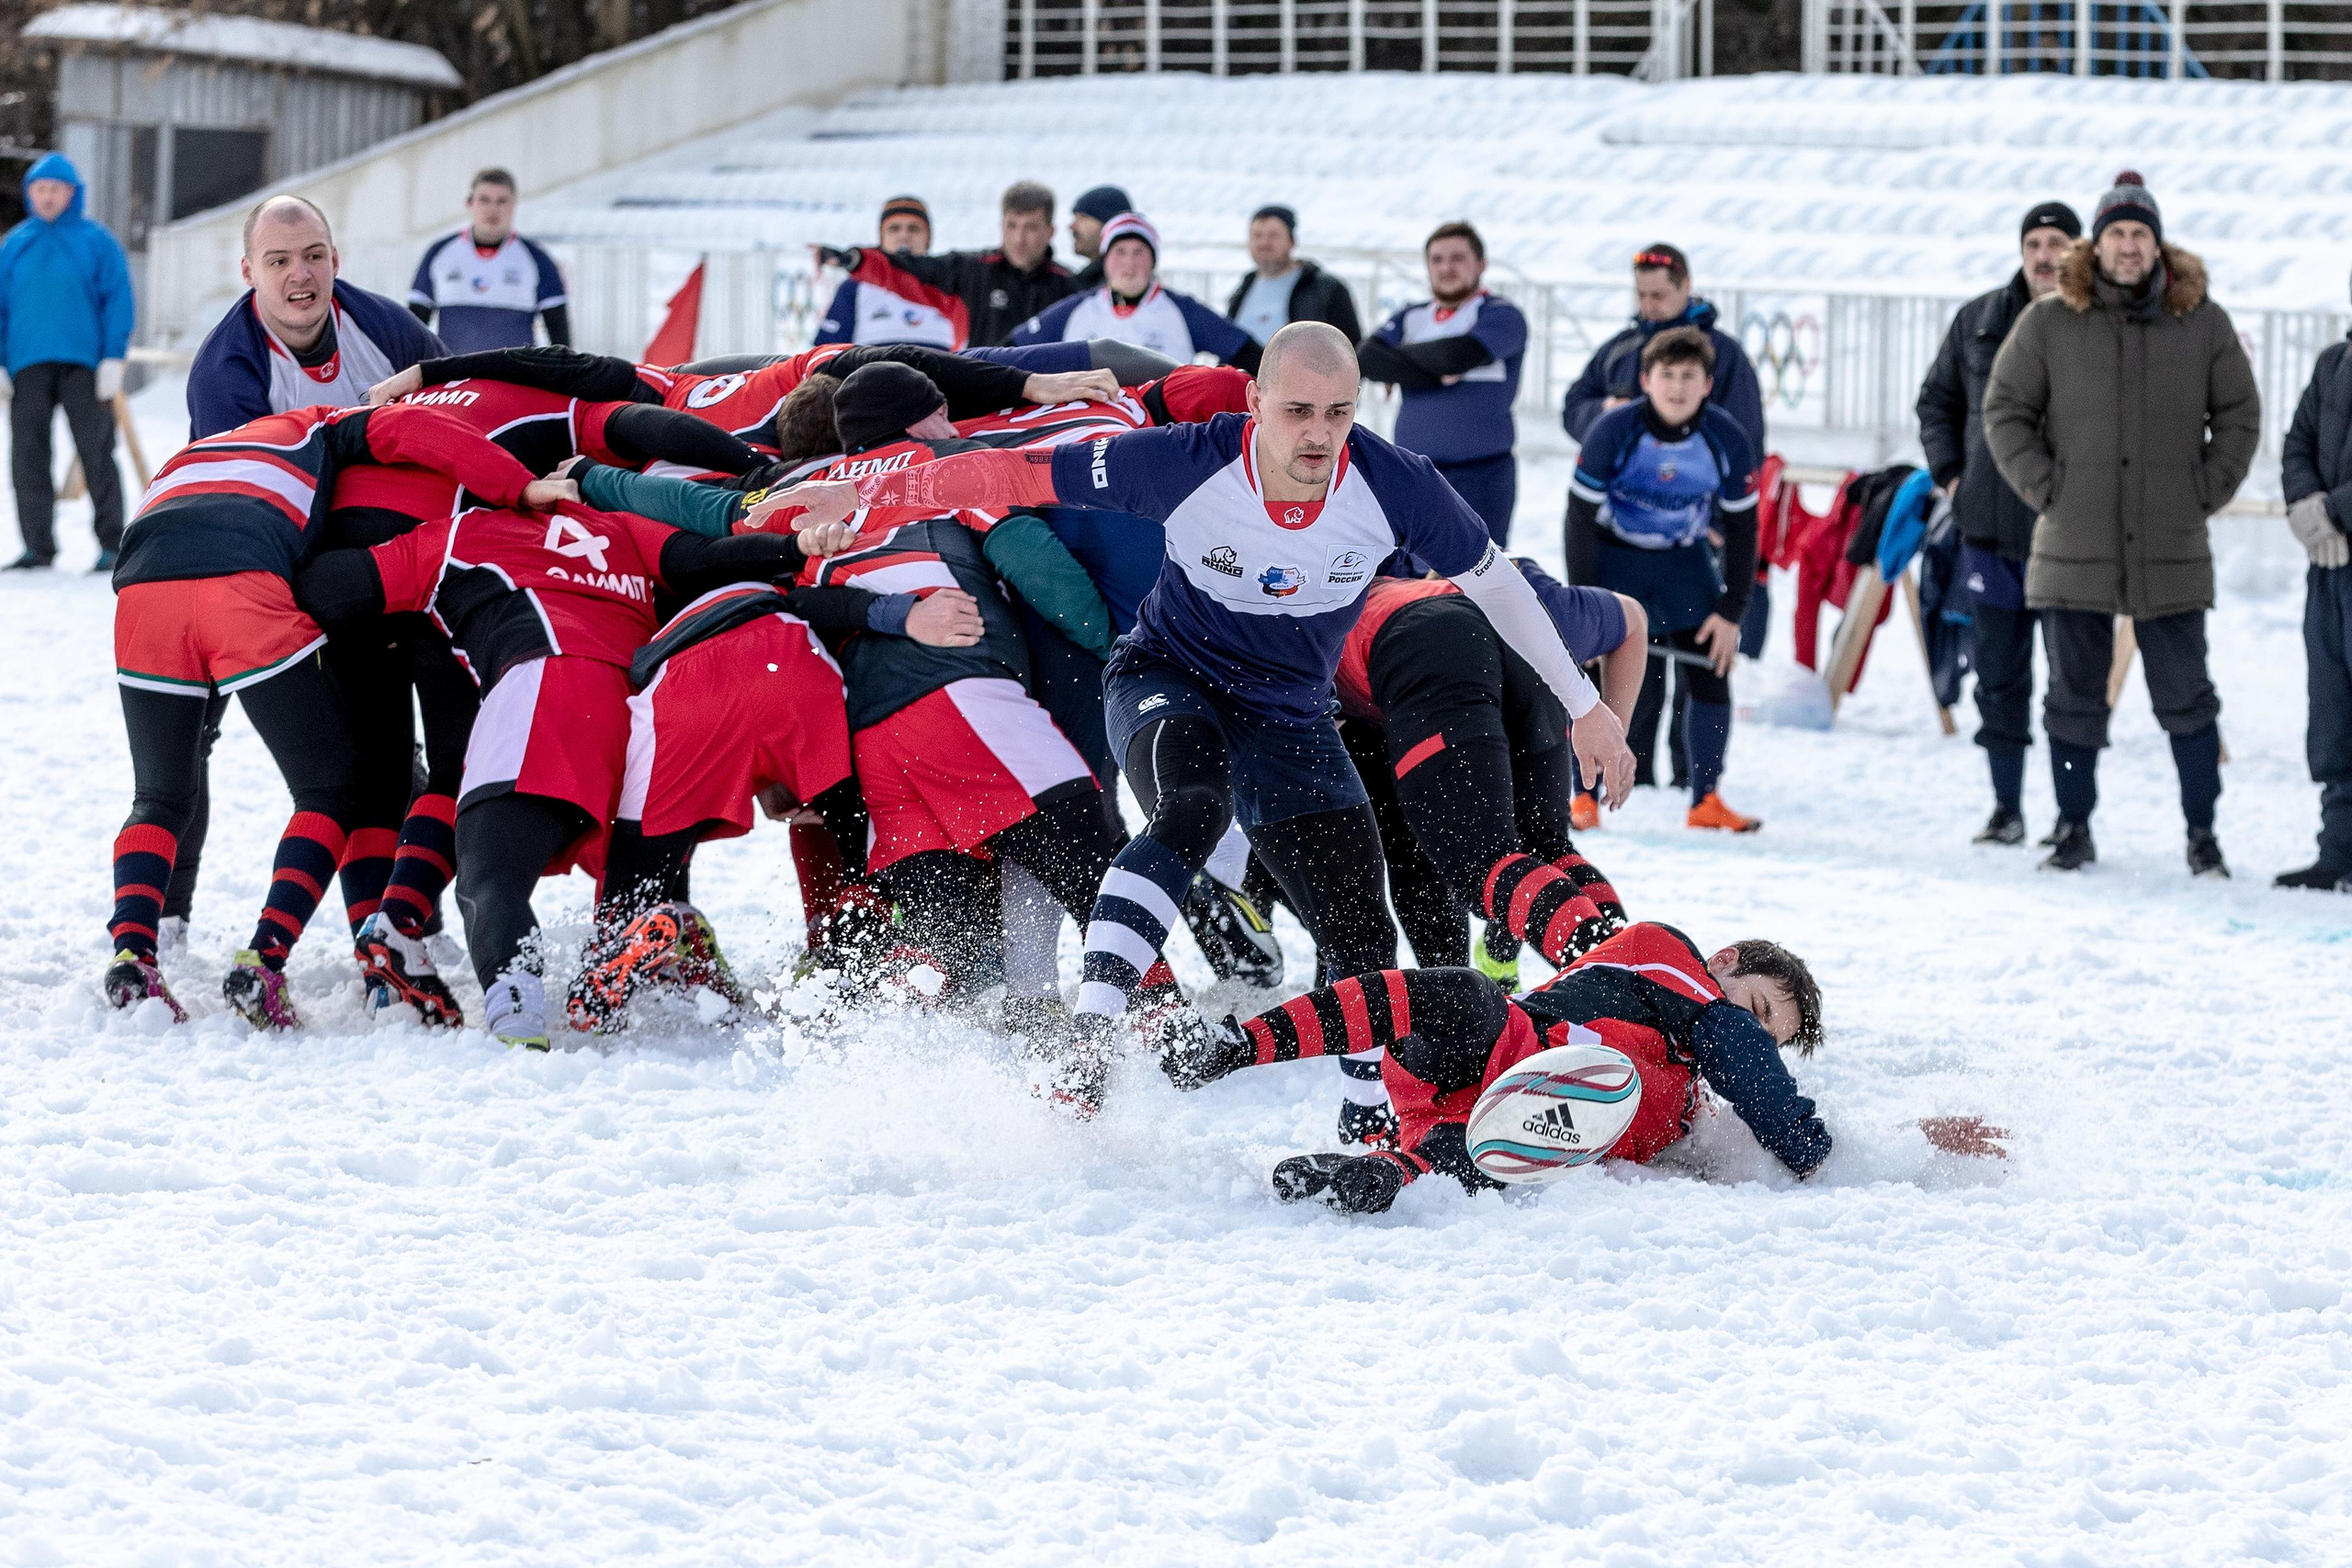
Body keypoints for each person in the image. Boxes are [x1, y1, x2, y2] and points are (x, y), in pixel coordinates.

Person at [775, 321, 1637, 1126]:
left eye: (1337, 413)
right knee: (1193, 806)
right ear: (1253, 401)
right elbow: (1007, 471)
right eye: (1296, 411)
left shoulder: (1395, 482)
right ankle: (1091, 1041)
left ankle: (1371, 1119)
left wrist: (1586, 706)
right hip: (1168, 676)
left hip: (1289, 713)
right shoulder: (1184, 461)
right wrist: (866, 490)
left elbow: (1497, 584)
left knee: (1362, 928)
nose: (1318, 435)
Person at [293, 490, 823, 1048]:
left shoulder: (462, 531)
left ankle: (518, 1017)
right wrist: (797, 546)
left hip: (546, 689)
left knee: (489, 876)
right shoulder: (620, 526)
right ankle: (644, 948)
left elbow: (328, 588)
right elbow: (700, 557)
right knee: (630, 876)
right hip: (648, 711)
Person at [102, 403, 538, 1029]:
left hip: (143, 592)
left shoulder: (194, 451)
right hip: (241, 581)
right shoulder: (322, 421)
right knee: (330, 790)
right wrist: (519, 485)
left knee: (159, 795)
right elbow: (416, 429)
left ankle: (132, 955)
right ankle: (265, 958)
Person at [1158, 920, 1832, 1212]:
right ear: (1724, 961)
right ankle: (1237, 1046)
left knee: (1492, 1157)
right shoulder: (1670, 961)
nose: (1754, 1034)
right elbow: (1738, 1051)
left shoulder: (1688, 1093)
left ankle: (1382, 1174)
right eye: (1756, 1009)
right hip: (1492, 1044)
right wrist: (1815, 1154)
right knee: (1459, 993)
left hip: (1495, 1129)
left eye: (1769, 1036)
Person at [1983, 171, 2261, 876]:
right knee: (2072, 700)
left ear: (2156, 244)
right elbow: (2005, 408)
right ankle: (2073, 826)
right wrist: (2048, 487)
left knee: (2188, 699)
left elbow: (2239, 414)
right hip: (2073, 543)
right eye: (2117, 234)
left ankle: (2203, 833)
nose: (2129, 246)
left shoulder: (2201, 321)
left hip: (2170, 544)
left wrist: (2202, 490)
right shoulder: (2050, 321)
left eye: (2140, 233)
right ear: (2097, 243)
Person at [1337, 561, 1645, 983]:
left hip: (1423, 646)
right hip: (1526, 637)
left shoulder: (1318, 608)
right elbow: (1633, 619)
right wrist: (1612, 731)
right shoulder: (1526, 588)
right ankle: (1637, 971)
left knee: (1480, 864)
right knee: (1545, 849)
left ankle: (1619, 986)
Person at [1560, 243, 1766, 787]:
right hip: (1618, 556)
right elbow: (1578, 517)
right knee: (1610, 669)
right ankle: (1591, 788)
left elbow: (1746, 514)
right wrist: (1584, 601)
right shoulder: (1616, 409)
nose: (1677, 387)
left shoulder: (1724, 404)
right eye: (1641, 295)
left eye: (1688, 378)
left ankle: (1702, 790)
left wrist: (1733, 609)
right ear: (1646, 380)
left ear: (1706, 384)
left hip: (1685, 554)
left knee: (1708, 661)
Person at [1917, 199, 2082, 848]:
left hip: (2071, 536)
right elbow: (1936, 401)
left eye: (2057, 243)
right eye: (2034, 244)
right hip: (1989, 533)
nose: (2044, 256)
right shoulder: (1979, 319)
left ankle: (2072, 818)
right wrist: (1953, 477)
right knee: (1999, 680)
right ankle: (2006, 808)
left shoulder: (2097, 321)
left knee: (2072, 686)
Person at [188, 196, 445, 438]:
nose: (300, 275)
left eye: (314, 256)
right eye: (279, 262)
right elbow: (243, 470)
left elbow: (459, 408)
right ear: (249, 273)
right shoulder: (224, 373)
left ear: (334, 261)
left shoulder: (389, 328)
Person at [0, 152, 132, 571]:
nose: (47, 196)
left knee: (98, 453)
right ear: (29, 194)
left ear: (72, 193)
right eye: (40, 189)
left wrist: (112, 358)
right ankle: (37, 548)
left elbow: (118, 299)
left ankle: (112, 545)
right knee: (28, 456)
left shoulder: (98, 241)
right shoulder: (14, 245)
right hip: (27, 364)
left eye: (56, 189)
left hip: (85, 365)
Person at [1357, 221, 1527, 546]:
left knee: (1479, 570)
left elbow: (1455, 356)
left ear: (1481, 264)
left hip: (1481, 477)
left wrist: (1401, 363)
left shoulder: (1501, 315)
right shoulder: (1412, 315)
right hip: (1414, 475)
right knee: (1411, 568)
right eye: (1437, 260)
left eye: (1457, 258)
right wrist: (1435, 373)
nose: (1446, 268)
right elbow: (1367, 358)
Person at [2277, 289, 2352, 893]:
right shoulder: (2334, 364)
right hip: (2330, 567)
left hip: (2338, 535)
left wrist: (2333, 510)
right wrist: (2305, 508)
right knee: (2333, 713)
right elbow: (2297, 443)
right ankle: (2339, 851)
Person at [815, 181, 1077, 349]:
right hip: (986, 400)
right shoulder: (971, 271)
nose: (1019, 239)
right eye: (1012, 226)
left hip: (1045, 405)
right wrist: (857, 260)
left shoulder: (1069, 286)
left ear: (1050, 231)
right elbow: (907, 270)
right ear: (1001, 226)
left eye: (1031, 228)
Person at [1012, 213, 1261, 372]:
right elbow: (1012, 350)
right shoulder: (1077, 309)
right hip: (1089, 429)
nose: (1129, 263)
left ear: (1153, 261)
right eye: (1119, 252)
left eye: (1139, 252)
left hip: (1160, 429)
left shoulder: (1182, 310)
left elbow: (1247, 352)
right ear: (1105, 260)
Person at [407, 168, 570, 354]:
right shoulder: (439, 253)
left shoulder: (537, 259)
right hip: (453, 370)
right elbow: (414, 324)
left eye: (502, 201)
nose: (493, 209)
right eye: (484, 200)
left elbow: (559, 331)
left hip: (514, 371)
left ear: (514, 205)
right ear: (469, 203)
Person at [812, 195, 957, 348]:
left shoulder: (954, 286)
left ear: (928, 237)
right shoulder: (854, 287)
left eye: (914, 229)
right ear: (881, 236)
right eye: (894, 228)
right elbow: (828, 351)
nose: (904, 236)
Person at [1224, 205, 1363, 347]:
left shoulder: (1326, 289)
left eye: (1273, 235)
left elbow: (1351, 348)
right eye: (1257, 236)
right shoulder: (1242, 290)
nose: (1264, 243)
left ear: (1291, 241)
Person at [1066, 185, 1132, 293]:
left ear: (1109, 225)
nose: (1071, 227)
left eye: (1083, 218)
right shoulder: (1084, 281)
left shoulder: (1120, 287)